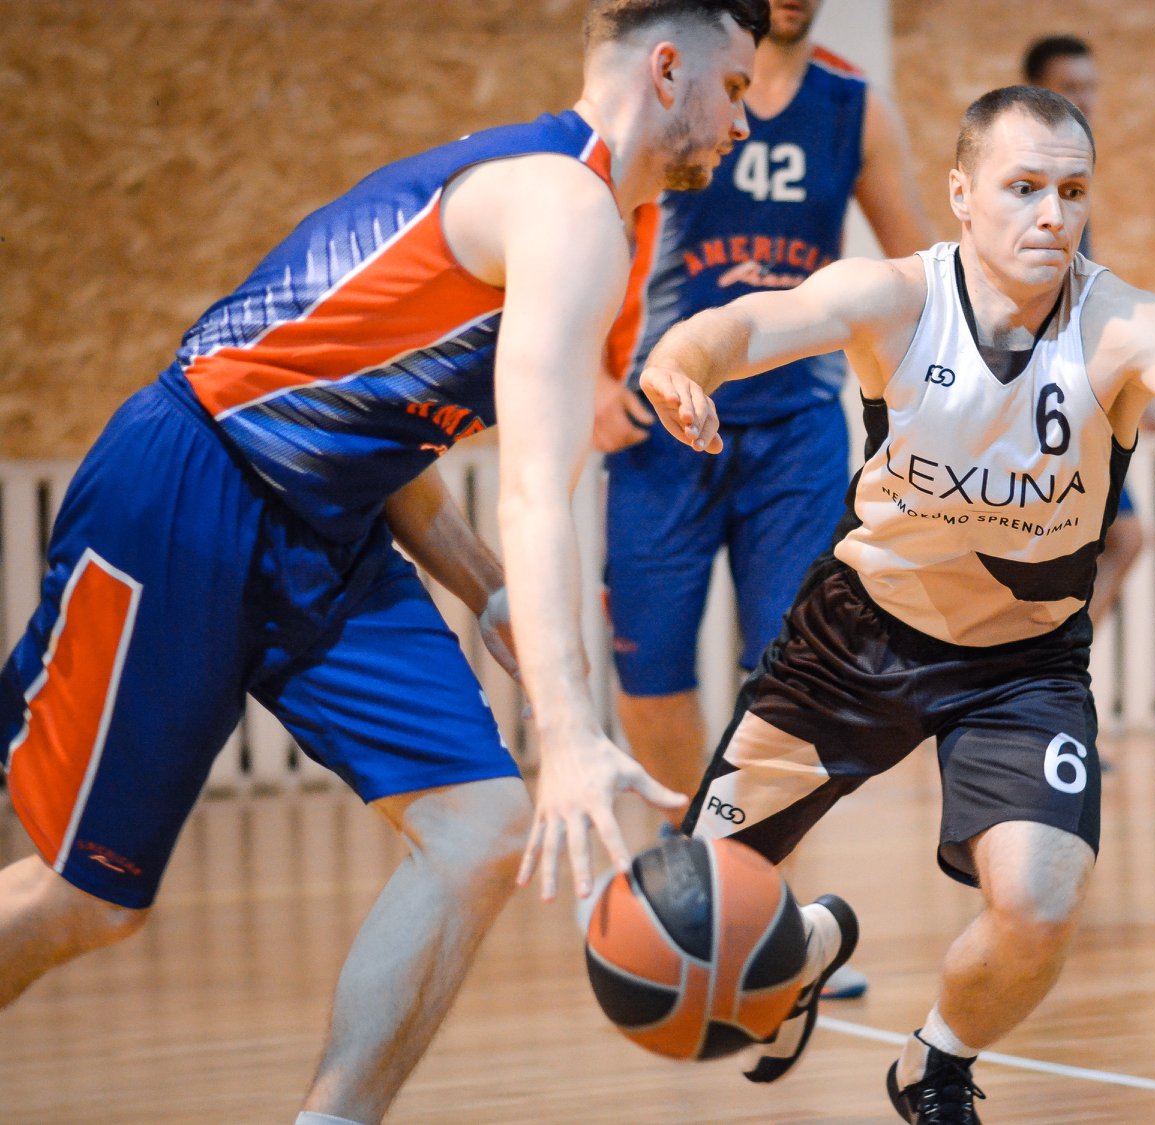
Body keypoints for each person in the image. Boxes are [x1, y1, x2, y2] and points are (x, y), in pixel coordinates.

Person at [0, 3, 772, 1122]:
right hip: (192, 486)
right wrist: (566, 736)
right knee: (89, 899)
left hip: (332, 524)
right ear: (666, 69)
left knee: (480, 832)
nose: (745, 121)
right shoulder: (565, 206)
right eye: (737, 88)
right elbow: (534, 489)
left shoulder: (596, 213)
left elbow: (382, 426)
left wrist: (484, 586)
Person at [638, 85, 1155, 1123]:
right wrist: (678, 364)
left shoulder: (1123, 323)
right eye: (1024, 188)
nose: (1054, 215)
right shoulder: (895, 296)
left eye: (1074, 191)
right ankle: (806, 946)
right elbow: (745, 322)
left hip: (1021, 666)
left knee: (1040, 905)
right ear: (963, 195)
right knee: (687, 920)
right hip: (857, 638)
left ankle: (935, 1063)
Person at [596, 0, 931, 822]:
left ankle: (751, 873)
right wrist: (590, 379)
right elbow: (583, 236)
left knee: (792, 675)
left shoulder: (857, 108)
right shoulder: (673, 90)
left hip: (796, 431)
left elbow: (917, 275)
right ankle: (695, 856)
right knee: (649, 669)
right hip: (660, 422)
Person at [1021, 34, 1155, 625]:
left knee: (1121, 538)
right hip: (1032, 394)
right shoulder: (1026, 186)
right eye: (1069, 88)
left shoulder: (1069, 180)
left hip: (1064, 391)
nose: (1083, 101)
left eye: (1090, 89)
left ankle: (1053, 664)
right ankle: (1040, 665)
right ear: (1035, 95)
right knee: (1105, 539)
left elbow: (1081, 301)